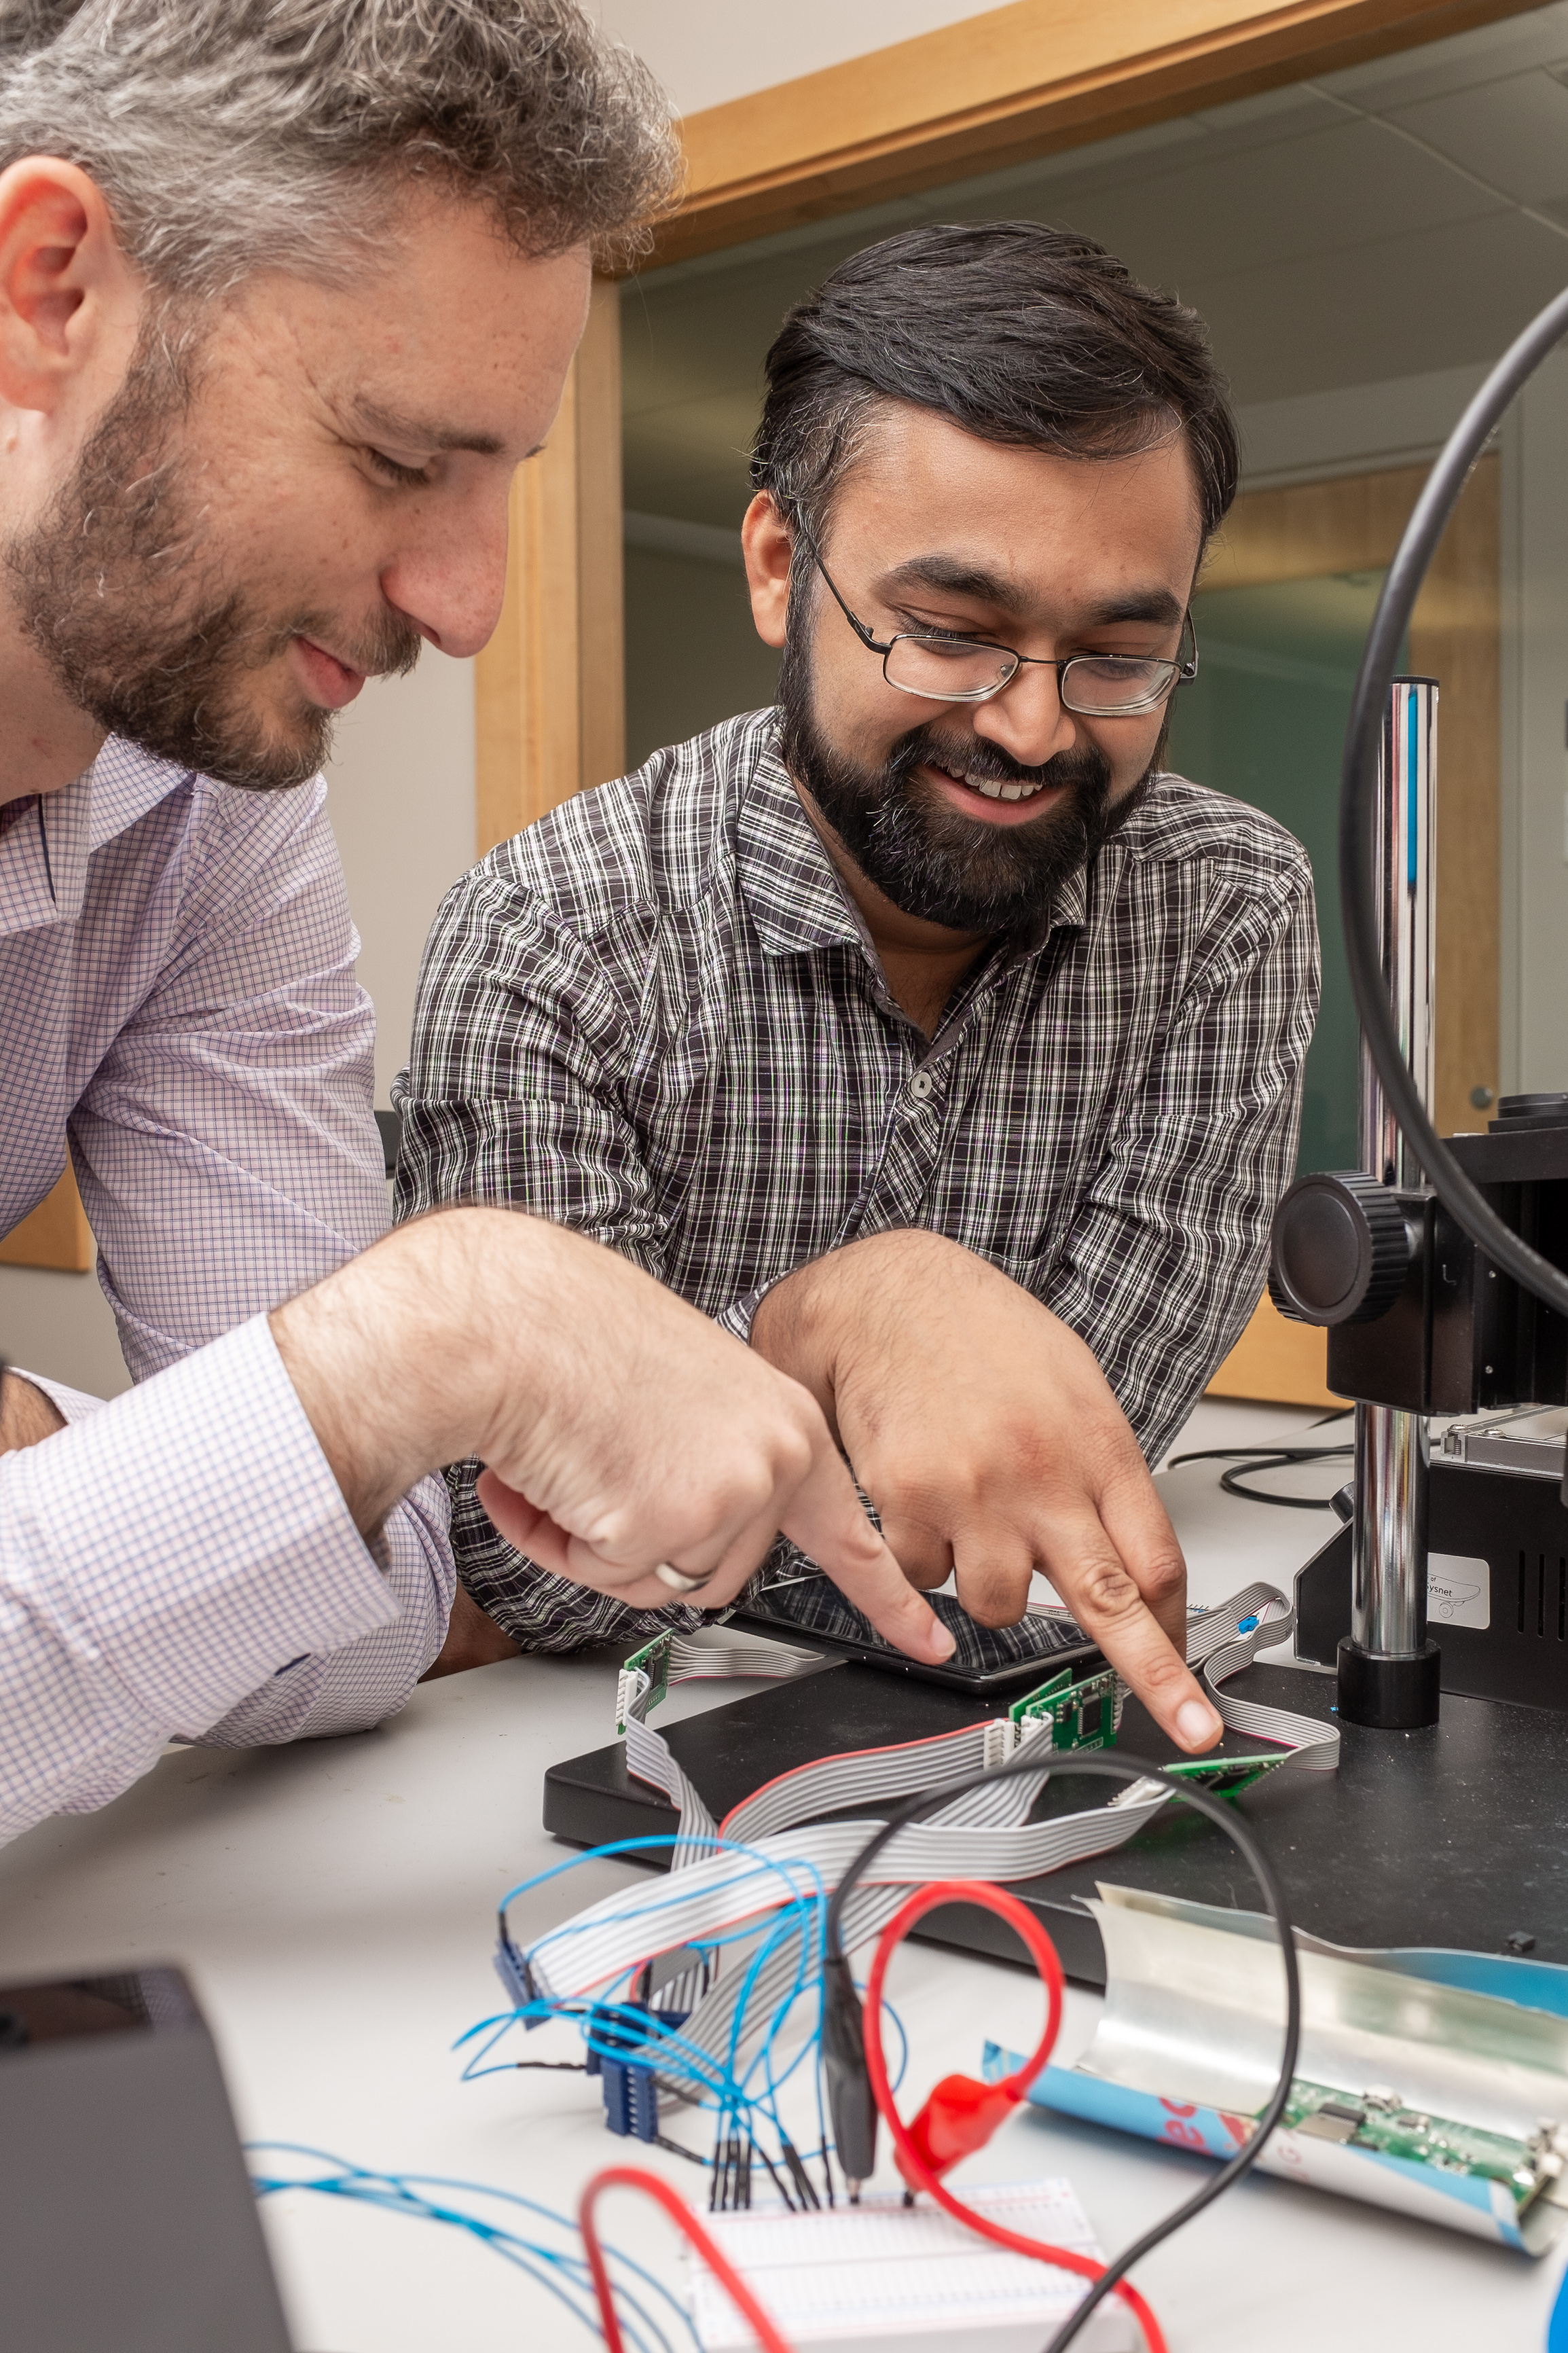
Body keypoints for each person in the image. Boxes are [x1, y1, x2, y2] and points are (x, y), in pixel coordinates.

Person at [0, 0, 956, 1850]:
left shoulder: (214, 816)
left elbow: (344, 1623)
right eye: (389, 456)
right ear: (52, 290)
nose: (466, 605)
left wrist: (52, 1457)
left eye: (499, 478)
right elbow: (311, 1471)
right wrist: (416, 1343)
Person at [399, 221, 1321, 1755]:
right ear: (779, 566)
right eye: (954, 635)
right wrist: (826, 1321)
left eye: (1115, 656)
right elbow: (534, 1570)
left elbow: (1049, 1498)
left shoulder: (1225, 911)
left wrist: (705, 1435)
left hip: (990, 1761)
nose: (1032, 728)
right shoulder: (549, 936)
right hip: (617, 1786)